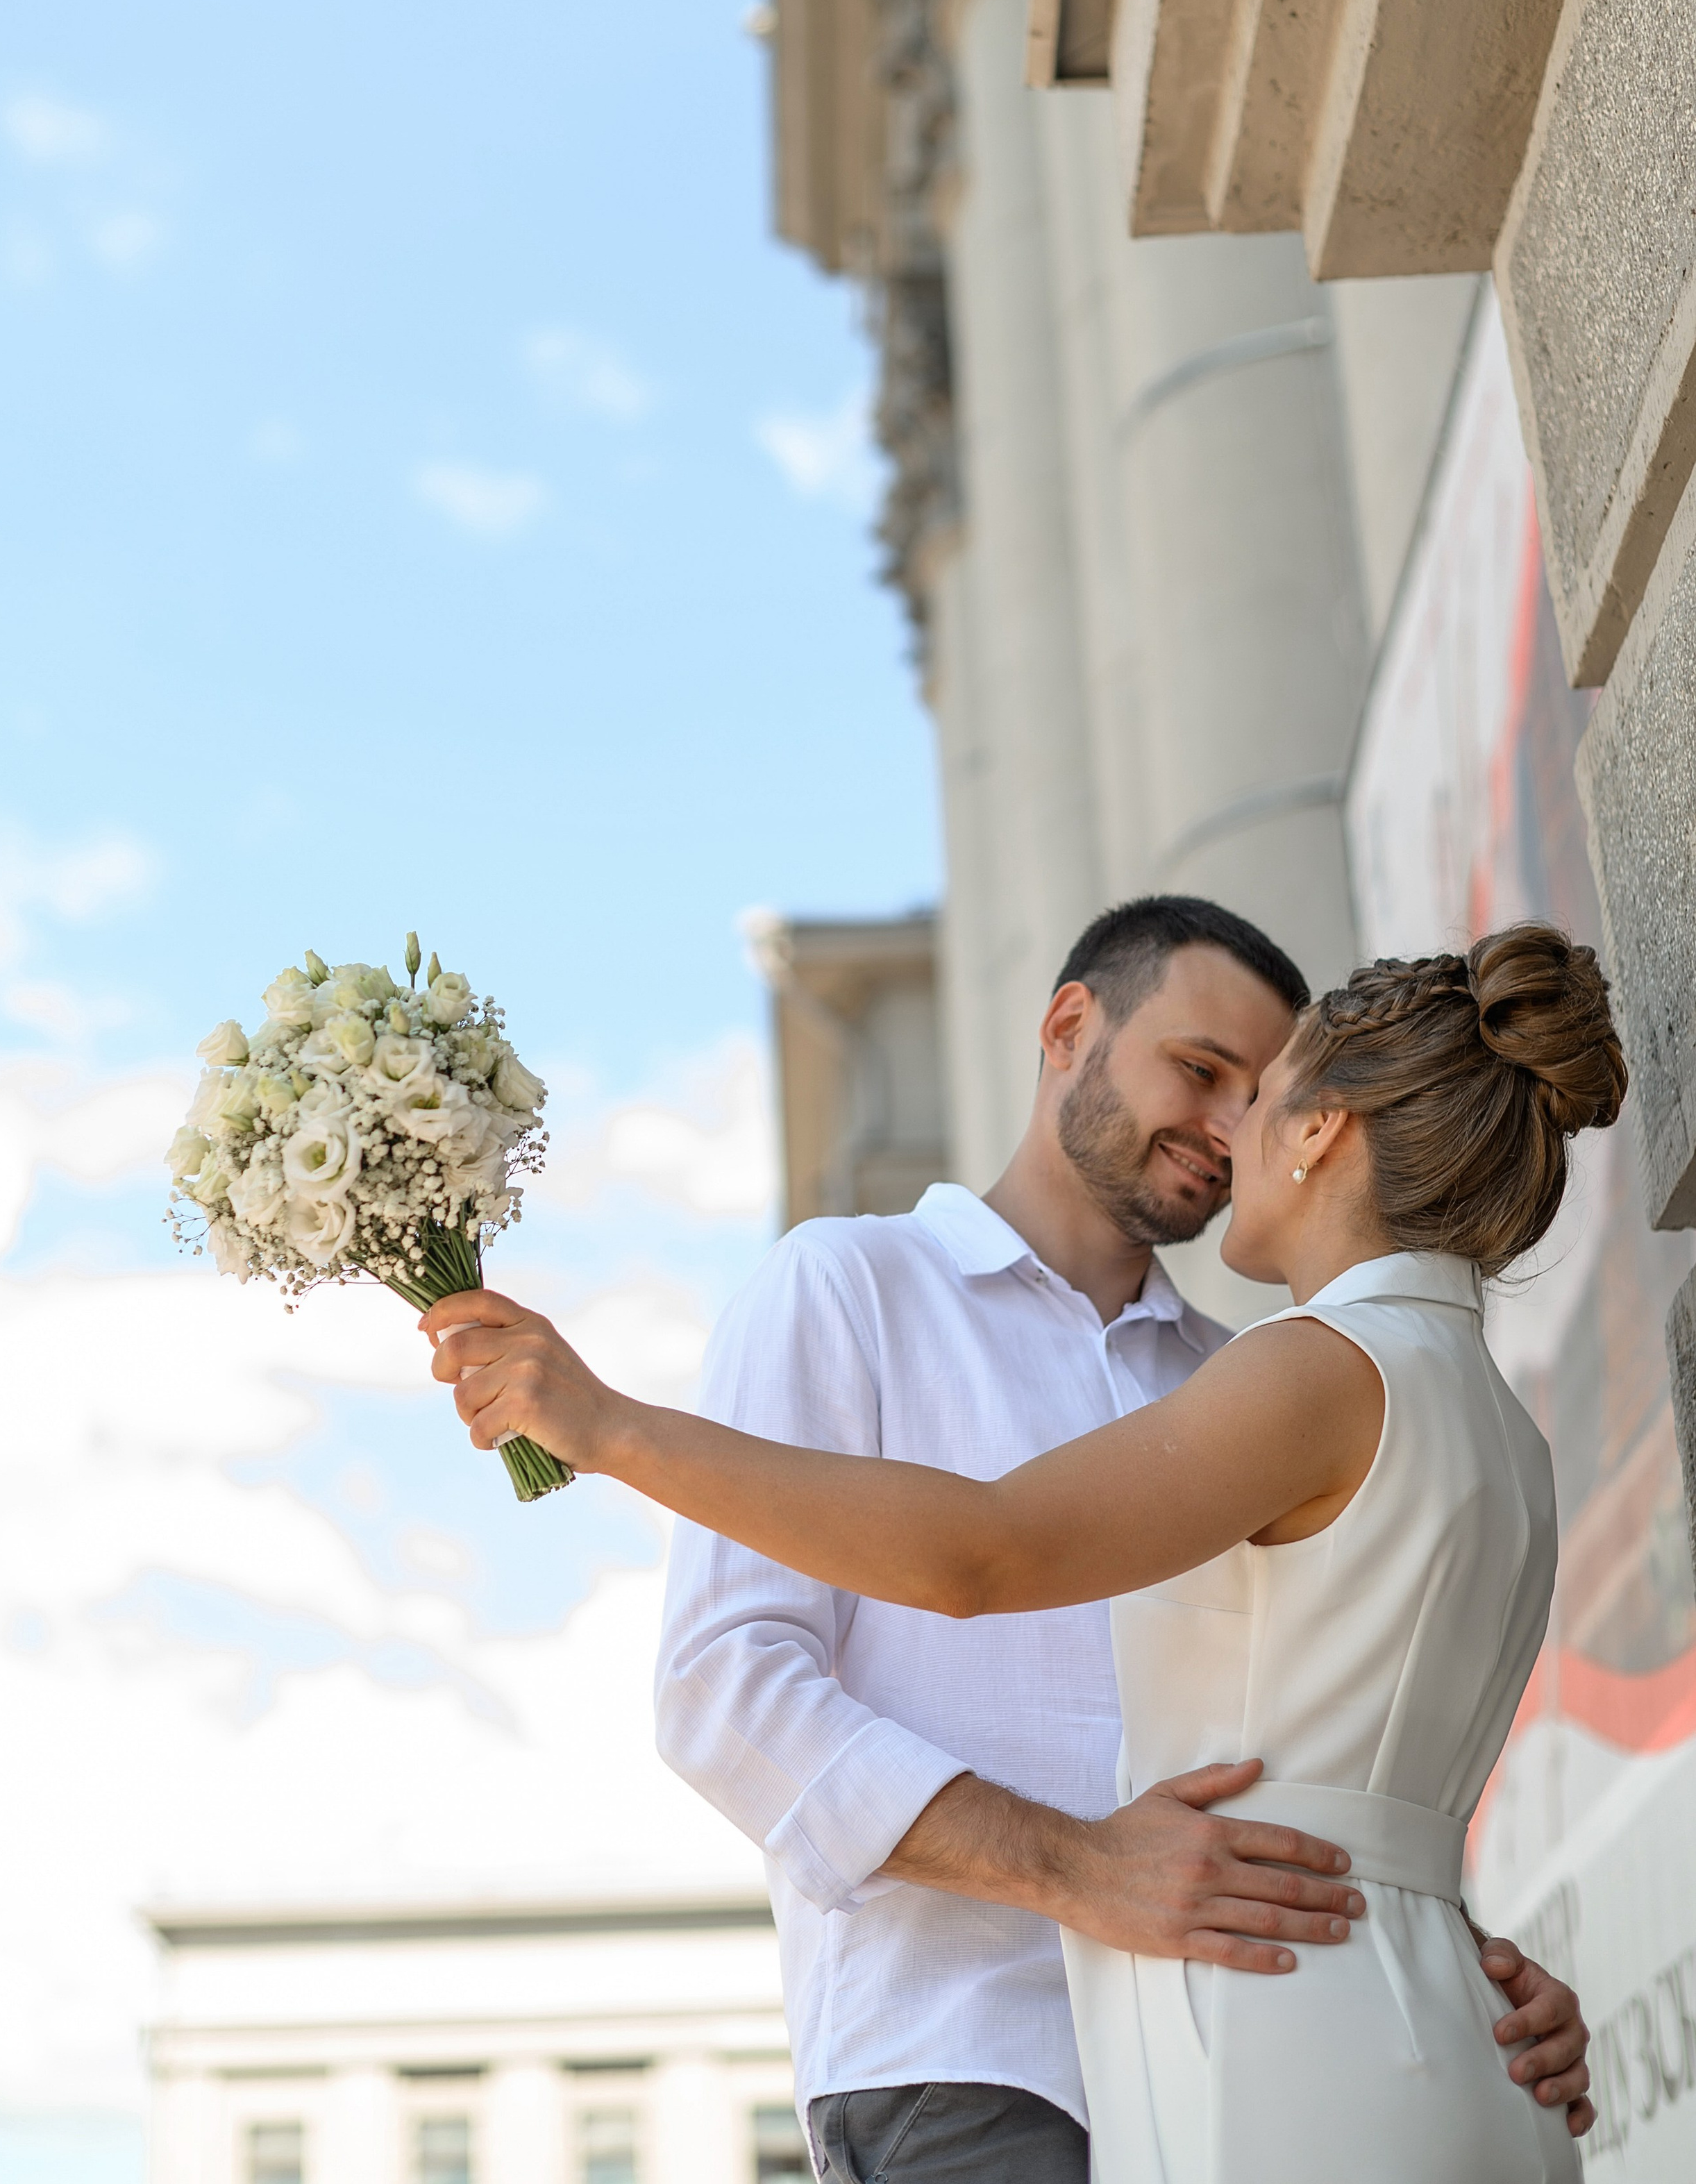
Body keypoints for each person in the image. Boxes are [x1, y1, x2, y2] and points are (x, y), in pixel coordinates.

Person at [425, 900, 1597, 2178]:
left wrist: (1429, 1920)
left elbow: (1301, 1730)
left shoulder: (1265, 1382)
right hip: (980, 2064)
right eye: (1202, 1071)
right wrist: (1076, 1870)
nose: (1225, 1127)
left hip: (1241, 2055)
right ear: (1067, 1027)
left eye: (1258, 1093)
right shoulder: (847, 1288)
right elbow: (725, 1692)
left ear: (1323, 1130)